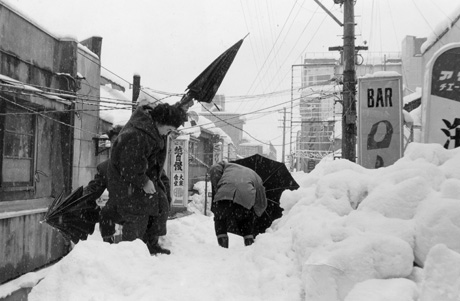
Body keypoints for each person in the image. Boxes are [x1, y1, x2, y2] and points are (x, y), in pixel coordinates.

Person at [106, 103, 187, 255]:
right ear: (159, 122)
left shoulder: (152, 129)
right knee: (138, 215)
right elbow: (129, 163)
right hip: (128, 182)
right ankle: (132, 254)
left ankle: (151, 244)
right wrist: (143, 181)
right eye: (168, 129)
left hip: (147, 176)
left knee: (159, 206)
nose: (167, 134)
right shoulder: (136, 133)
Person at [209, 161, 268, 248]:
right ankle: (249, 245)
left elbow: (214, 169)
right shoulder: (255, 176)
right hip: (245, 197)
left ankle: (223, 248)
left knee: (220, 219)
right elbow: (261, 199)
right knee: (246, 220)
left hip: (224, 194)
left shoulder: (226, 166)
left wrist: (217, 186)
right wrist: (257, 212)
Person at [83, 125, 123, 243]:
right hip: (117, 208)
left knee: (136, 246)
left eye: (120, 141)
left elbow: (162, 183)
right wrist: (79, 197)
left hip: (140, 209)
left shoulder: (142, 161)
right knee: (105, 214)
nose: (117, 145)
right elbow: (94, 189)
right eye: (114, 142)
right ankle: (108, 246)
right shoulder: (105, 167)